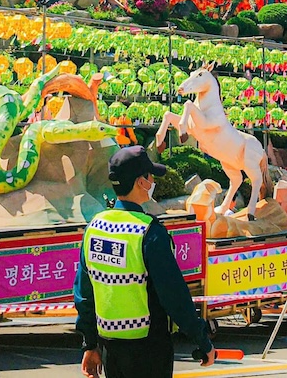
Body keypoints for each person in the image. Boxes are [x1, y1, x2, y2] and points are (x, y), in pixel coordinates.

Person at [75, 147, 215, 378]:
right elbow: (174, 296)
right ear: (141, 182)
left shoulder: (95, 228)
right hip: (149, 349)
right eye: (150, 177)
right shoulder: (149, 232)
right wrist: (202, 340)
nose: (152, 182)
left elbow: (84, 294)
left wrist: (90, 344)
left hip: (110, 346)